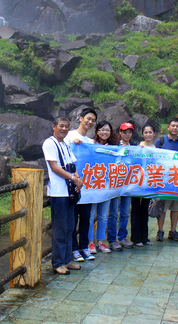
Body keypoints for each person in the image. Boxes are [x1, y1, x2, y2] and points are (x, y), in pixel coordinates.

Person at [42, 116, 83, 275]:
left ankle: (67, 260)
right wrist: (74, 178)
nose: (64, 129)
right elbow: (54, 167)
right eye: (61, 126)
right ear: (54, 126)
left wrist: (77, 180)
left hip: (69, 192)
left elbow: (72, 165)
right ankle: (58, 262)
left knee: (70, 227)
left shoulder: (65, 144)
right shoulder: (49, 143)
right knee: (60, 228)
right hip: (58, 193)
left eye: (66, 126)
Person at [65, 108, 97, 262]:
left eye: (93, 120)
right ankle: (73, 249)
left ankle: (84, 247)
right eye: (88, 118)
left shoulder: (90, 142)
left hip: (87, 187)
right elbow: (65, 155)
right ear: (81, 118)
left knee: (86, 218)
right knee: (73, 219)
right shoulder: (70, 136)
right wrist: (74, 143)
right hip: (72, 185)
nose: (90, 122)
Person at [153, 118, 178, 242]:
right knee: (162, 207)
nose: (175, 128)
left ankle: (173, 231)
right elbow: (153, 157)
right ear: (168, 127)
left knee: (176, 207)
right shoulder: (160, 141)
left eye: (177, 126)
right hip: (164, 180)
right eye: (173, 126)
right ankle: (160, 230)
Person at [87, 121, 118, 254]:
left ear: (111, 132)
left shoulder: (115, 147)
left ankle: (100, 242)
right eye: (102, 129)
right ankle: (90, 242)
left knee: (103, 216)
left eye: (107, 130)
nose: (104, 132)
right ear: (97, 131)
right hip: (94, 185)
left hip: (108, 186)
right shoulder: (90, 144)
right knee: (90, 215)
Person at [107, 122, 136, 250]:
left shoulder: (135, 148)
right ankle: (112, 239)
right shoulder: (114, 147)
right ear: (120, 133)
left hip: (128, 184)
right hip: (115, 184)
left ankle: (122, 237)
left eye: (129, 132)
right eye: (125, 132)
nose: (127, 135)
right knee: (113, 213)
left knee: (124, 212)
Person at [130, 122, 157, 246]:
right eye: (146, 132)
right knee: (135, 209)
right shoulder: (138, 147)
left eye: (150, 132)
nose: (148, 134)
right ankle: (136, 238)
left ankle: (144, 237)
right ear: (142, 134)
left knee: (145, 209)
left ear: (154, 134)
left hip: (149, 183)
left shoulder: (156, 149)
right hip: (137, 182)